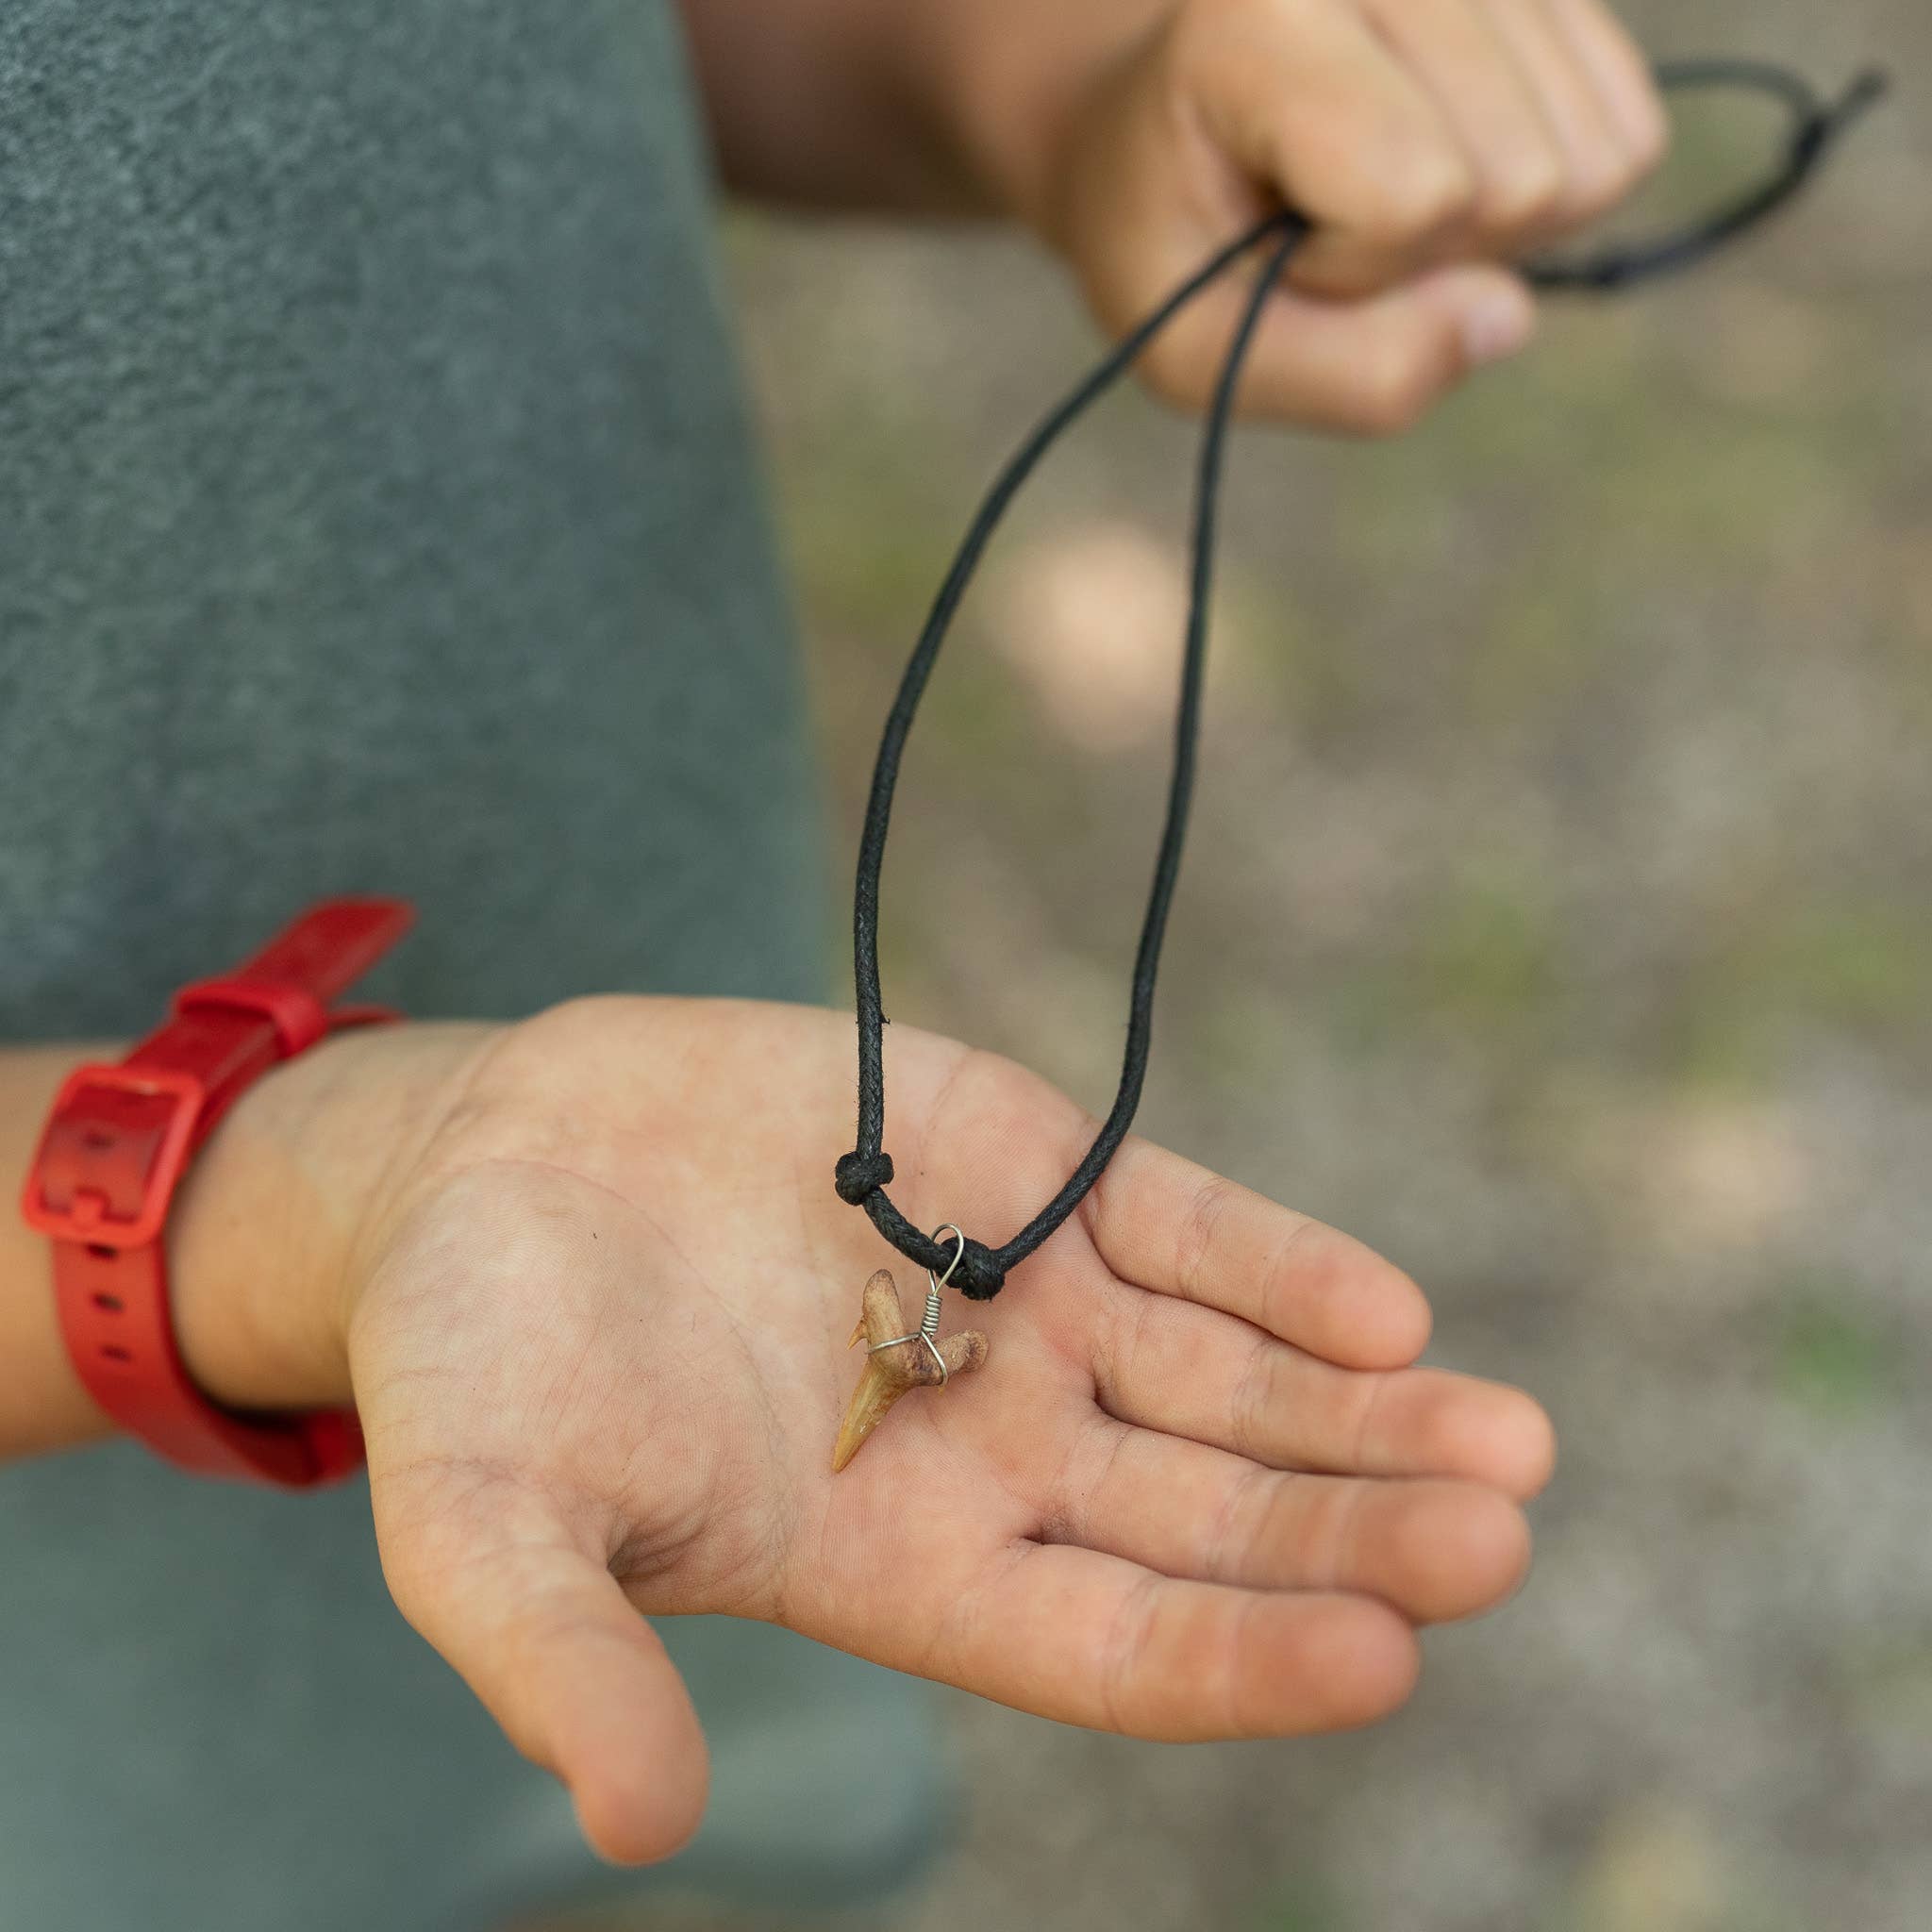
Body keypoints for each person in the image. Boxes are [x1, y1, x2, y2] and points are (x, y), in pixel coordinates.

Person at [0, 2, 1663, 1926]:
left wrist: (1055, 90)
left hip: (671, 1168)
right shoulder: (879, 1317)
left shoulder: (841, 1283)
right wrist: (292, 1198)